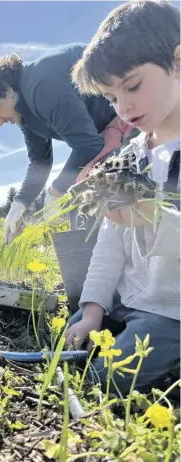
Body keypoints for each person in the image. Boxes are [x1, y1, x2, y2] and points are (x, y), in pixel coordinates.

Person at [64, 0, 180, 396]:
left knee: (103, 378)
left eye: (132, 86)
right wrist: (93, 309)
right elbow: (109, 243)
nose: (123, 107)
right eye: (112, 98)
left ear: (178, 63)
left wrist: (155, 218)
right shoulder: (129, 158)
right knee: (68, 346)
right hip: (126, 301)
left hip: (171, 313)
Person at [0, 44, 138, 243]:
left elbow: (88, 145)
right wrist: (19, 204)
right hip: (109, 132)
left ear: (6, 90)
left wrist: (56, 191)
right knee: (87, 193)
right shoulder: (24, 113)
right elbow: (39, 162)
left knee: (105, 195)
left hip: (132, 114)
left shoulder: (41, 86)